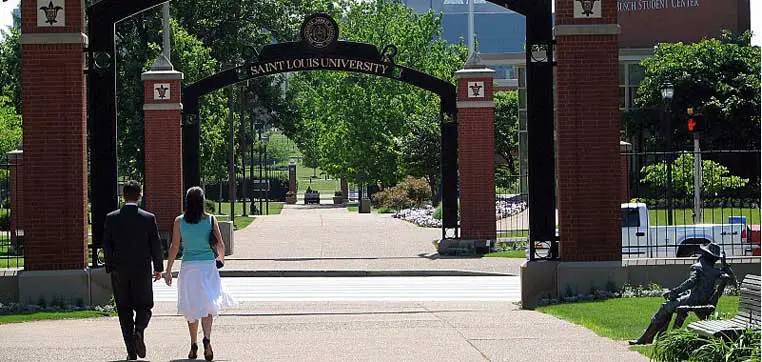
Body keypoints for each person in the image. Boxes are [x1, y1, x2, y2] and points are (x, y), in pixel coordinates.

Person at [164, 187, 237, 361]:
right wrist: (221, 260)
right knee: (208, 304)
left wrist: (168, 270)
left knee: (191, 305)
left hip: (189, 266)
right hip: (207, 266)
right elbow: (220, 243)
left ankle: (193, 343)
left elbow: (175, 247)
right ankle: (207, 339)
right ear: (203, 201)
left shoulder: (179, 221)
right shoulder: (211, 220)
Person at [102, 180, 164, 360]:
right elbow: (155, 244)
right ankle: (139, 330)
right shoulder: (148, 218)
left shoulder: (111, 218)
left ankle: (131, 351)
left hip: (120, 270)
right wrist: (158, 267)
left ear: (123, 195)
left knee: (124, 309)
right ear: (140, 195)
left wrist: (109, 266)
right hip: (142, 270)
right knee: (145, 306)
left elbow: (107, 245)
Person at [629, 242, 734, 345]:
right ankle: (657, 337)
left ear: (705, 255)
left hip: (693, 301)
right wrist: (725, 264)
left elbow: (691, 282)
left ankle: (646, 338)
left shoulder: (698, 267)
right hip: (701, 300)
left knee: (665, 307)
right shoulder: (717, 272)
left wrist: (674, 292)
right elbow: (733, 281)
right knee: (670, 304)